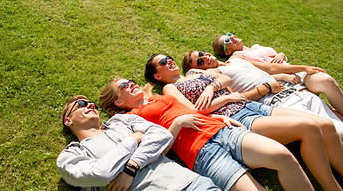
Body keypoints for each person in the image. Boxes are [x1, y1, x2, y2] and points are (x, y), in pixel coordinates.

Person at [145, 53, 343, 191]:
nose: (169, 61)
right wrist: (225, 99)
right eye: (163, 61)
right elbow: (194, 112)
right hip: (238, 116)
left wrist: (211, 88)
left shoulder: (194, 73)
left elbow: (224, 79)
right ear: (158, 75)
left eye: (169, 58)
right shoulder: (169, 90)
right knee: (308, 127)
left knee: (324, 125)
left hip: (253, 106)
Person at [99, 79, 315, 191]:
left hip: (222, 130)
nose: (131, 83)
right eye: (124, 86)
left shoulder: (156, 97)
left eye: (129, 81)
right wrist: (176, 124)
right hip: (201, 153)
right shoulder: (132, 119)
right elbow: (158, 150)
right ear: (119, 102)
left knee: (283, 157)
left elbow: (192, 111)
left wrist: (220, 117)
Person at [57, 95, 222, 191]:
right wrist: (134, 139)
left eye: (92, 104)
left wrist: (131, 168)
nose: (91, 105)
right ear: (68, 120)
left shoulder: (121, 120)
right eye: (82, 104)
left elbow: (162, 135)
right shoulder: (70, 156)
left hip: (190, 184)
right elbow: (101, 174)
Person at [181, 50, 343, 138]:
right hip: (280, 104)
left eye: (202, 53)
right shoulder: (214, 74)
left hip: (296, 92)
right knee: (338, 132)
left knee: (339, 125)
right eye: (200, 61)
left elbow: (271, 69)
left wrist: (303, 67)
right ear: (199, 69)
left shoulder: (237, 58)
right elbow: (238, 100)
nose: (205, 58)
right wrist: (265, 88)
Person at [212, 33, 343, 115]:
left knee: (327, 81)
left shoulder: (256, 46)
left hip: (298, 72)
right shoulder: (238, 56)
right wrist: (302, 68)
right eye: (227, 41)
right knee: (320, 107)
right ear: (227, 52)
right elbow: (269, 68)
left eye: (229, 35)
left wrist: (282, 54)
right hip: (286, 80)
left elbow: (277, 58)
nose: (231, 38)